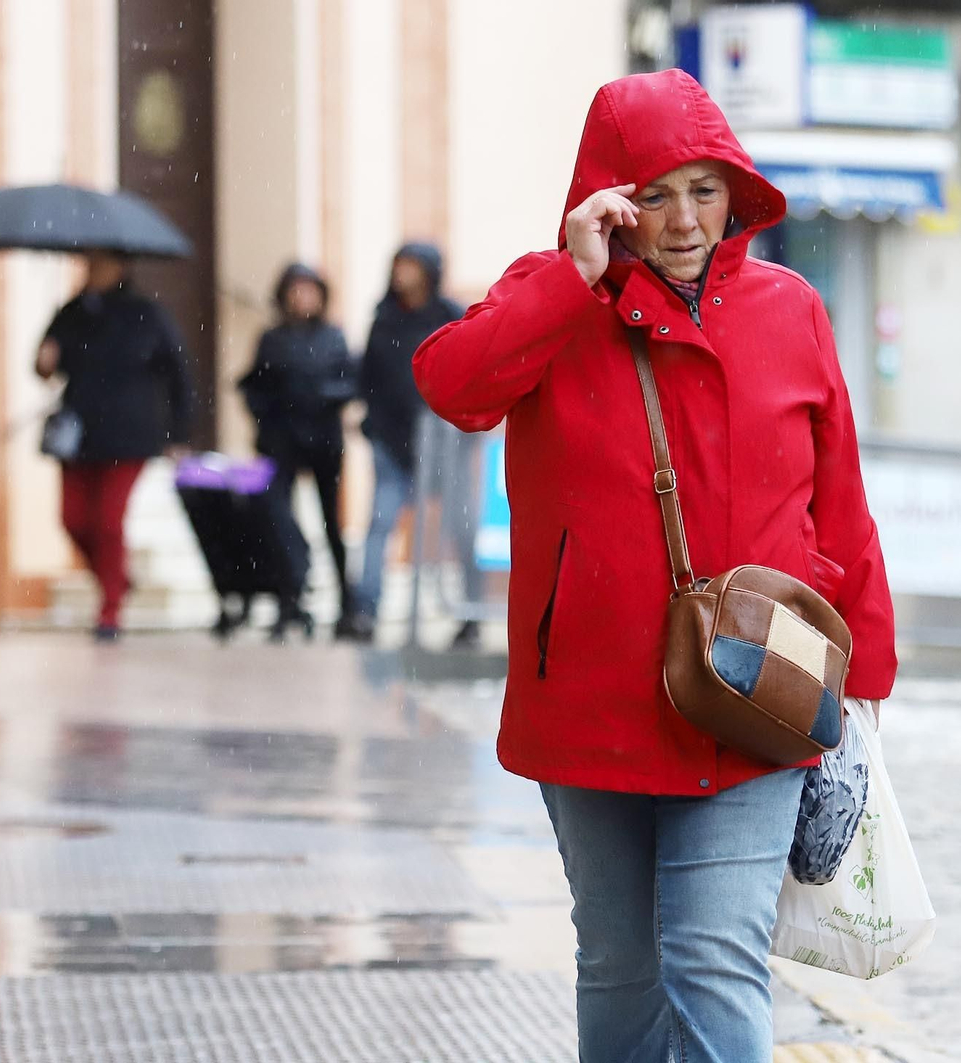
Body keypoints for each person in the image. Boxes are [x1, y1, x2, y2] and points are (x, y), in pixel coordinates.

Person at [412, 70, 897, 1061]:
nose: (683, 220)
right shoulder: (550, 298)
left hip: (757, 691)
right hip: (590, 692)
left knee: (715, 958)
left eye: (705, 190)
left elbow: (838, 499)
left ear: (736, 192)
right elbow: (452, 386)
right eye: (656, 192)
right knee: (621, 969)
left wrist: (869, 676)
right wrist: (569, 274)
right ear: (608, 199)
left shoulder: (790, 309)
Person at [36, 251, 193, 642]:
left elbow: (178, 373)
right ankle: (118, 579)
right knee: (73, 519)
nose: (92, 268)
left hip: (130, 434)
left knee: (108, 522)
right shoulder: (72, 312)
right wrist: (44, 360)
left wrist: (180, 435)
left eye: (100, 262)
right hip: (78, 434)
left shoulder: (147, 314)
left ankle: (109, 611)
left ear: (120, 266)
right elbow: (43, 365)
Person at [345, 244, 463, 643]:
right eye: (398, 266)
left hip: (444, 440)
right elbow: (368, 377)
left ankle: (467, 615)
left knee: (458, 528)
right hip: (390, 441)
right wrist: (371, 420)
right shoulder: (384, 317)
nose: (402, 274)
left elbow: (468, 367)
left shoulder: (450, 315)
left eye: (410, 266)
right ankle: (365, 610)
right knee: (379, 523)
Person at [239, 263, 357, 641]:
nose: (301, 298)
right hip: (282, 440)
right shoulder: (273, 339)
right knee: (277, 518)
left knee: (331, 524)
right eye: (295, 290)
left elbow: (350, 382)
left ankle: (346, 604)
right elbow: (255, 384)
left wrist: (321, 397)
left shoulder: (333, 337)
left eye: (309, 290)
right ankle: (288, 597)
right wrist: (268, 413)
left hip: (323, 440)